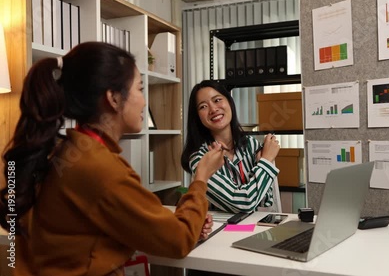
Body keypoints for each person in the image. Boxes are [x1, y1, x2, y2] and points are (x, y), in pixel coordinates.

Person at [0, 42, 225, 276]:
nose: (144, 102)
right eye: (139, 89)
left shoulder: (70, 152)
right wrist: (200, 179)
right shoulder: (98, 167)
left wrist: (185, 219)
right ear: (114, 98)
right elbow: (178, 240)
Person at [181, 80, 281, 213]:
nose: (213, 109)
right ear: (197, 117)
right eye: (203, 106)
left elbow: (264, 200)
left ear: (229, 102)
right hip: (222, 231)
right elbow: (244, 204)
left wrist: (259, 169)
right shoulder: (200, 159)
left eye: (217, 100)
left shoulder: (251, 144)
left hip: (254, 227)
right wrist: (266, 161)